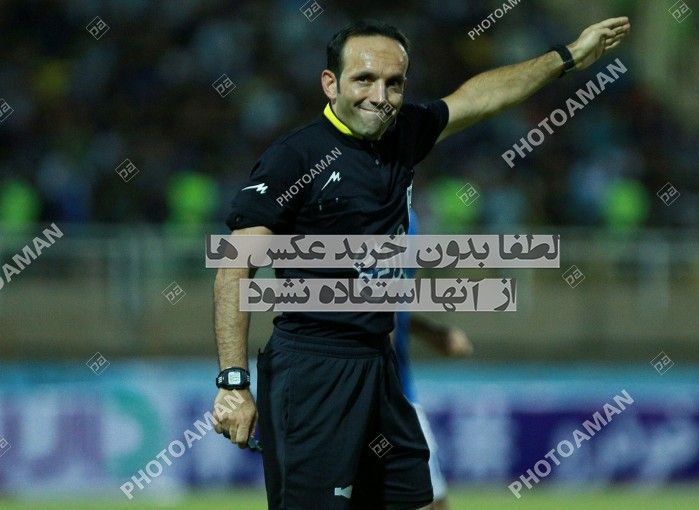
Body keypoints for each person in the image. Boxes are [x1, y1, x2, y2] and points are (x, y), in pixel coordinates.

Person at [211, 17, 631, 510]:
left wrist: (568, 57)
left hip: (378, 367)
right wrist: (233, 382)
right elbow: (235, 268)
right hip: (314, 372)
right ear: (330, 84)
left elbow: (481, 97)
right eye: (364, 79)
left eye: (394, 83)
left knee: (419, 501)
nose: (380, 96)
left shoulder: (403, 133)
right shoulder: (295, 158)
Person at [392, 210, 474, 510]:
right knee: (429, 499)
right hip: (382, 391)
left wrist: (433, 333)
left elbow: (390, 304)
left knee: (432, 499)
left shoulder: (407, 218)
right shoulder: (386, 217)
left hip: (392, 388)